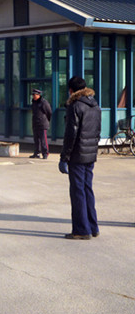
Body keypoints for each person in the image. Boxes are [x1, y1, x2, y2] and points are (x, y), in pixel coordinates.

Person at [59, 76, 101, 240]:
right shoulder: (95, 105)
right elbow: (97, 131)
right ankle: (92, 226)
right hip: (90, 155)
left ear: (71, 90)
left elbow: (71, 134)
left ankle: (81, 230)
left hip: (77, 155)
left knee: (77, 192)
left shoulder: (75, 106)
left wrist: (64, 157)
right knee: (87, 189)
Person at [30, 89, 52, 159]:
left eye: (35, 95)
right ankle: (36, 153)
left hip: (42, 124)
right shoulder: (34, 102)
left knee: (43, 140)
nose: (33, 96)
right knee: (36, 140)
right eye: (33, 95)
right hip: (35, 123)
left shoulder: (44, 102)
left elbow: (49, 112)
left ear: (38, 95)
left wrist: (46, 120)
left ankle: (45, 153)